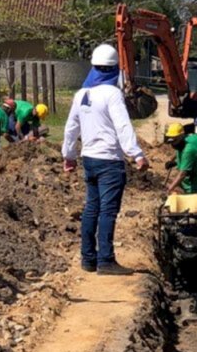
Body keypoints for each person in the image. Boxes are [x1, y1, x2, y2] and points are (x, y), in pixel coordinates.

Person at [62, 43, 150, 275]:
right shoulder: (112, 94)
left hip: (89, 159)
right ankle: (106, 261)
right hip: (110, 161)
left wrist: (69, 156)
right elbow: (123, 126)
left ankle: (88, 259)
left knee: (92, 208)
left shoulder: (82, 94)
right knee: (108, 212)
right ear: (114, 70)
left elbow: (71, 127)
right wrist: (137, 154)